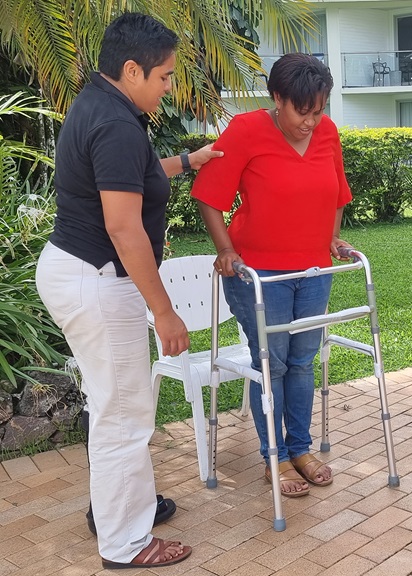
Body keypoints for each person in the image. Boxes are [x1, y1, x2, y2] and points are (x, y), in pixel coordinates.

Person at [36, 12, 222, 568]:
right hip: (98, 279)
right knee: (125, 415)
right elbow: (123, 226)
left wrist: (190, 160)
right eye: (164, 76)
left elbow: (130, 173)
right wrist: (164, 312)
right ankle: (125, 542)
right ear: (133, 69)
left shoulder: (98, 103)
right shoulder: (117, 123)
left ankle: (117, 509)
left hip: (73, 268)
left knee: (112, 403)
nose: (169, 87)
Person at [191, 53, 352, 498]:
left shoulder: (328, 133)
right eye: (302, 110)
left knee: (301, 362)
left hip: (314, 268)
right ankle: (275, 456)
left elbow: (336, 193)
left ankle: (299, 450)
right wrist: (225, 250)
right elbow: (208, 195)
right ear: (277, 98)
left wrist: (334, 239)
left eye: (319, 110)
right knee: (272, 362)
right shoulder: (246, 130)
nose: (311, 121)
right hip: (258, 272)